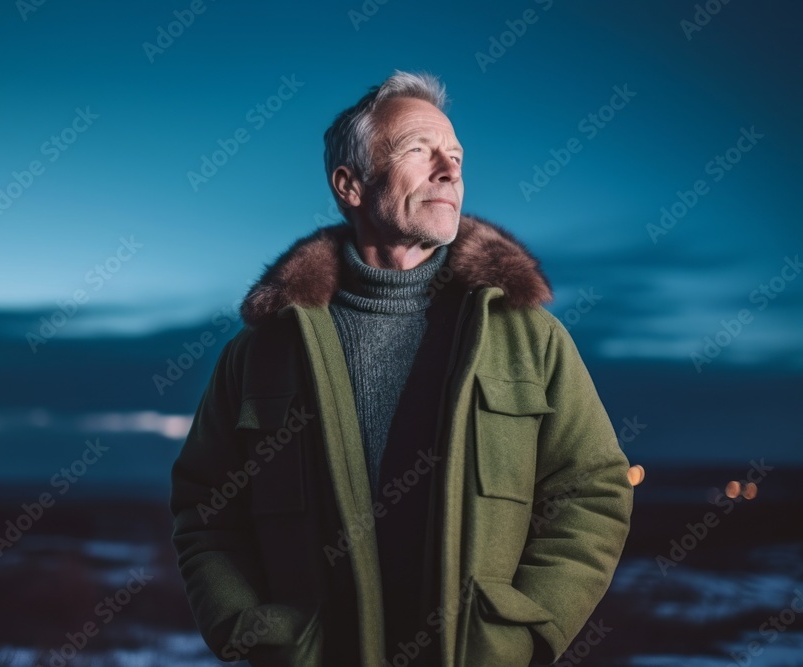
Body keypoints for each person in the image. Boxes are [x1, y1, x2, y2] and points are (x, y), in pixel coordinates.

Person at [170, 70, 633, 666]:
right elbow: (206, 507)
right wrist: (254, 630)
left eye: (457, 156)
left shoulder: (529, 337)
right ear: (350, 184)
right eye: (420, 149)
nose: (450, 170)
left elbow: (592, 493)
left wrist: (523, 633)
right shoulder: (261, 354)